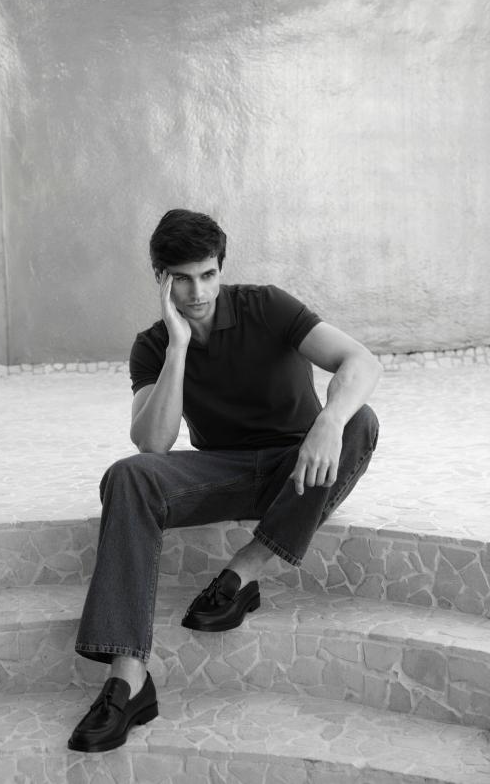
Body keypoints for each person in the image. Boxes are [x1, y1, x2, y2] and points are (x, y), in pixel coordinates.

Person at [68, 209, 381, 752]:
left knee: (362, 421)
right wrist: (179, 346)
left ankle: (244, 570)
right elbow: (154, 443)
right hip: (223, 472)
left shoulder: (266, 306)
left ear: (221, 269)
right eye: (182, 279)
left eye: (208, 275)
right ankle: (128, 680)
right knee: (129, 476)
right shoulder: (153, 345)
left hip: (299, 467)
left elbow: (361, 361)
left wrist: (329, 421)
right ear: (160, 278)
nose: (198, 292)